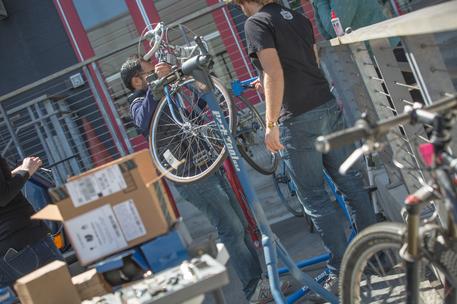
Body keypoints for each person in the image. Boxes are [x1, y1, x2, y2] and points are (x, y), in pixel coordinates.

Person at [233, 0, 377, 297]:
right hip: (325, 105)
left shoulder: (256, 23)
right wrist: (268, 85)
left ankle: (341, 272)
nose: (240, 10)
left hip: (297, 120)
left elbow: (274, 71)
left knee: (315, 198)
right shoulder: (297, 17)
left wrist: (270, 122)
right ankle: (376, 254)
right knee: (351, 184)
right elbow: (306, 62)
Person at [120, 55, 289, 303]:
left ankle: (261, 281)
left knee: (240, 224)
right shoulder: (138, 102)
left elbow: (192, 117)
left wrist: (202, 88)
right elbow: (142, 119)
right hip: (189, 176)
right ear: (137, 81)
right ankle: (253, 289)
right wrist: (157, 83)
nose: (154, 75)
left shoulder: (166, 96)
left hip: (206, 165)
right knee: (230, 227)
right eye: (148, 72)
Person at [0, 155, 63, 287]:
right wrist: (26, 171)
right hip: (24, 241)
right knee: (62, 291)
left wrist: (20, 171)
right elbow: (2, 196)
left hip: (9, 248)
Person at [311, 0, 389, 40]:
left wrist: (319, 2)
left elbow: (335, 31)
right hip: (373, 55)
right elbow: (327, 35)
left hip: (387, 52)